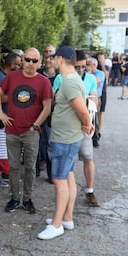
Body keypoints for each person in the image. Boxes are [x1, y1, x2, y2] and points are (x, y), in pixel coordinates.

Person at [37, 46, 93, 240]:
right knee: (68, 176)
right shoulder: (72, 80)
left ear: (60, 59)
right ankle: (66, 218)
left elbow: (82, 110)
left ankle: (57, 224)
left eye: (53, 57)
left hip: (65, 139)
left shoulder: (69, 82)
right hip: (68, 138)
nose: (50, 60)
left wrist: (87, 124)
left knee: (59, 180)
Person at [0, 47, 52, 214]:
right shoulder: (12, 77)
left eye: (34, 60)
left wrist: (36, 125)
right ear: (22, 60)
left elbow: (47, 107)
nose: (30, 63)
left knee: (30, 167)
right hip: (12, 130)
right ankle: (14, 198)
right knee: (12, 167)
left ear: (39, 63)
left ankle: (27, 199)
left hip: (31, 132)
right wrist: (0, 113)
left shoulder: (44, 81)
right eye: (27, 59)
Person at [74, 50, 100, 207]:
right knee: (67, 160)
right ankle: (68, 193)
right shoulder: (61, 77)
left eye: (83, 67)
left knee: (88, 157)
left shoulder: (90, 78)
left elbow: (95, 100)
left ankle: (90, 190)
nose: (80, 70)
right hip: (68, 126)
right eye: (77, 67)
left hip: (84, 124)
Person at [37, 44, 56, 180]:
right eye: (46, 52)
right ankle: (35, 170)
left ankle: (51, 174)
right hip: (37, 114)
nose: (48, 55)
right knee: (36, 143)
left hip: (53, 116)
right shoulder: (38, 73)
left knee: (49, 143)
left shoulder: (60, 76)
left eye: (51, 53)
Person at [86, 57, 104, 148]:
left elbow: (98, 83)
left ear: (94, 65)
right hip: (86, 97)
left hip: (96, 98)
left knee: (95, 118)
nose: (86, 66)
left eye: (88, 65)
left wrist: (89, 74)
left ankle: (95, 138)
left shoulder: (100, 73)